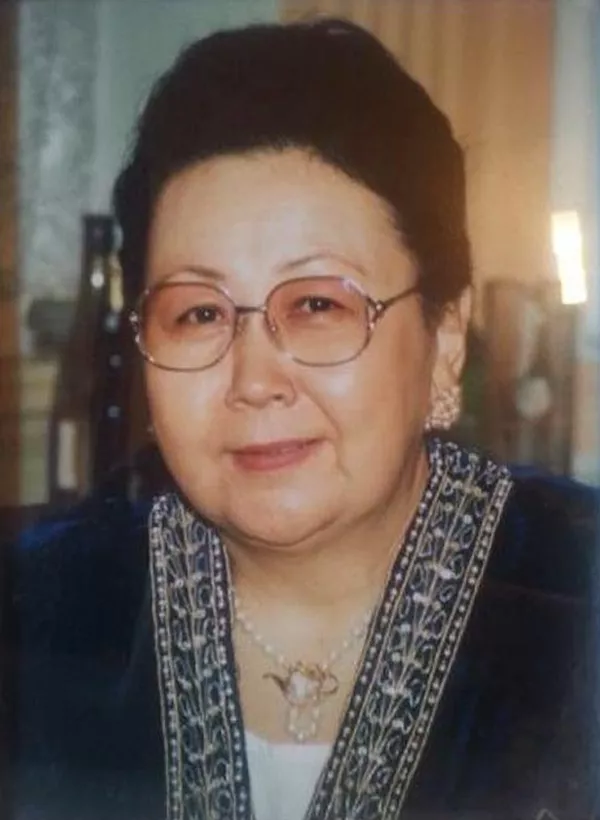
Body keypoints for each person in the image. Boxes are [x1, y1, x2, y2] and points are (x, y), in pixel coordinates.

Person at [7, 17, 599, 820]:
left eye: (319, 304)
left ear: (446, 339)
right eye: (199, 313)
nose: (255, 381)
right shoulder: (42, 614)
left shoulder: (573, 602)